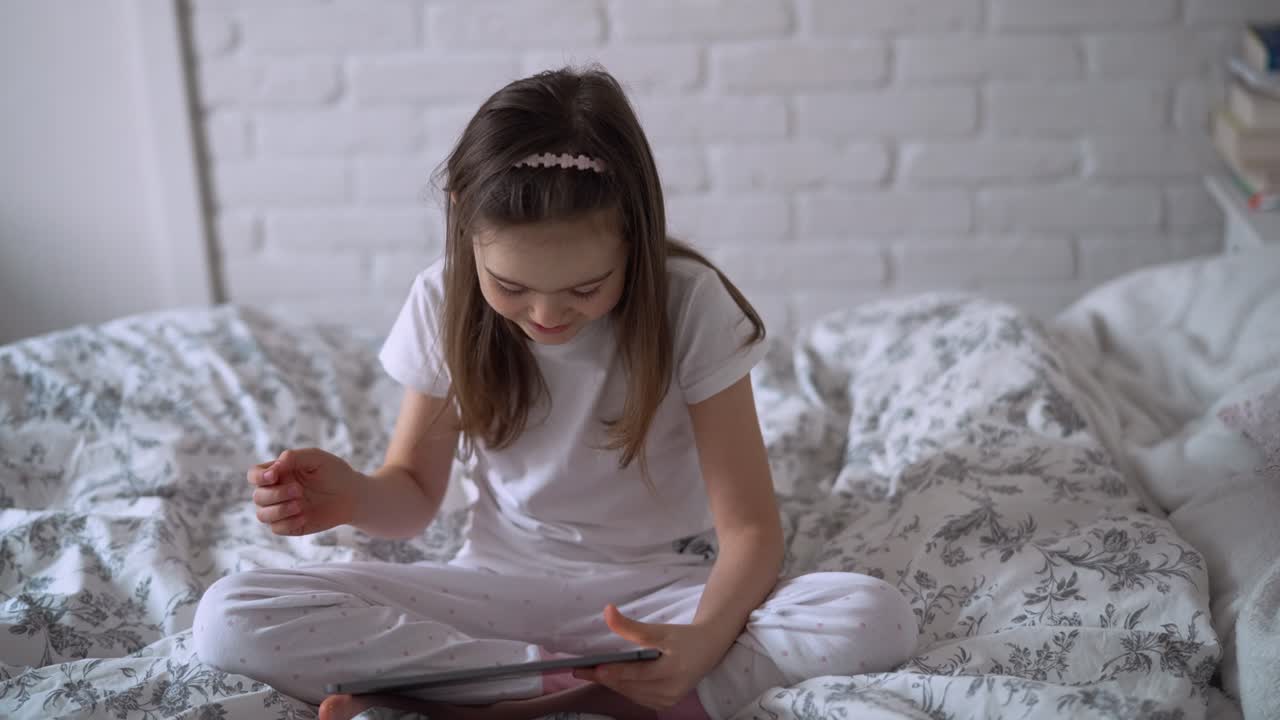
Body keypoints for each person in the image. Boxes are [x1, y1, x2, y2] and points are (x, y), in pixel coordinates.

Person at [192, 67, 917, 720]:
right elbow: (413, 492)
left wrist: (697, 643)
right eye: (511, 287)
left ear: (634, 235)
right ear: (463, 224)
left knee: (870, 616)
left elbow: (752, 531)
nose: (545, 315)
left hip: (660, 593)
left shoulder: (690, 304)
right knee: (229, 614)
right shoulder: (442, 299)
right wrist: (351, 496)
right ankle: (581, 700)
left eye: (584, 288)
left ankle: (481, 702)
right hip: (497, 590)